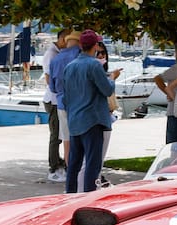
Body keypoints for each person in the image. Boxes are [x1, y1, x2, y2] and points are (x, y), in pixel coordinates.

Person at [62, 29, 121, 193]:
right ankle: (89, 197)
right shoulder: (94, 65)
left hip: (75, 120)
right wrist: (112, 78)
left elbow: (66, 95)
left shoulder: (70, 66)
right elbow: (107, 90)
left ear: (81, 45)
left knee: (74, 164)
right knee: (92, 165)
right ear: (95, 45)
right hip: (93, 120)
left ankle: (70, 195)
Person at [49, 30, 81, 182]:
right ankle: (81, 173)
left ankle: (71, 174)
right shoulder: (81, 56)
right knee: (82, 139)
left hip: (62, 103)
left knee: (67, 140)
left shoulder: (56, 59)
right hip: (80, 103)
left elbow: (53, 87)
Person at [41, 29, 69, 183]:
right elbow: (48, 78)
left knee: (59, 134)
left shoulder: (57, 53)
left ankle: (57, 161)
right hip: (53, 100)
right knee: (56, 134)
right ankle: (53, 166)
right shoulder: (52, 55)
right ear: (64, 39)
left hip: (56, 98)